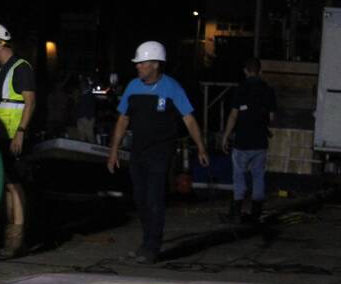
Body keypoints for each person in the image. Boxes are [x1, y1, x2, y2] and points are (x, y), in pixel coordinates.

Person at [106, 41, 209, 264]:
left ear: (155, 64)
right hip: (138, 151)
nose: (138, 67)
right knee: (140, 198)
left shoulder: (172, 88)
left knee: (154, 197)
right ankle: (146, 242)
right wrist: (113, 150)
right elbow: (123, 120)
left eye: (141, 64)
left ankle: (153, 247)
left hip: (161, 152)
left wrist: (200, 147)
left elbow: (189, 119)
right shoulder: (133, 87)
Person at [0, 22, 36, 258]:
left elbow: (30, 101)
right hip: (1, 138)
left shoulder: (21, 68)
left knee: (14, 185)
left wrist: (21, 131)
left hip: (14, 137)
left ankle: (17, 238)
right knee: (6, 186)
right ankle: (9, 236)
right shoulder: (1, 71)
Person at [220, 58, 276, 224]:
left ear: (245, 71)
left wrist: (226, 136)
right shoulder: (268, 90)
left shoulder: (240, 89)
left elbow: (233, 115)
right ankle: (256, 213)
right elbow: (271, 117)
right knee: (258, 176)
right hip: (260, 142)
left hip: (242, 141)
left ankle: (237, 212)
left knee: (239, 176)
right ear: (260, 71)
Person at [75, 74, 97, 143]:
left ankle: (94, 151)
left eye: (83, 83)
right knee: (81, 136)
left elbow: (92, 106)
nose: (81, 85)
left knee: (90, 136)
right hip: (80, 117)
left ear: (85, 84)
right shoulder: (80, 94)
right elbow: (78, 106)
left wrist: (89, 117)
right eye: (81, 84)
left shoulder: (90, 94)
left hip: (88, 118)